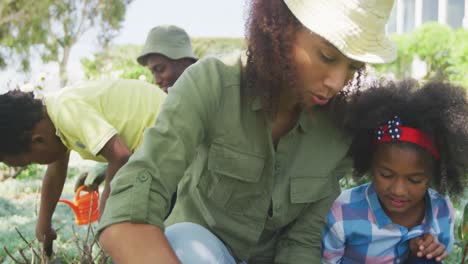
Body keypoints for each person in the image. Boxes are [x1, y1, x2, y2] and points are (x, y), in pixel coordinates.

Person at [98, 0, 397, 263]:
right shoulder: (211, 85)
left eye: (353, 68)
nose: (337, 81)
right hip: (193, 253)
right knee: (184, 243)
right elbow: (129, 211)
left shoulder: (338, 130)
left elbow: (303, 242)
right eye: (328, 57)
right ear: (281, 29)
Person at [0, 79, 166, 254]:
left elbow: (119, 154)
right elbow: (55, 173)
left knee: (136, 231)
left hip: (165, 139)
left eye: (31, 161)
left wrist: (106, 214)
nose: (38, 164)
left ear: (38, 140)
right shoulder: (53, 116)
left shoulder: (67, 112)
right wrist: (43, 224)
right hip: (154, 146)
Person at [321, 80, 468, 263]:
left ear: (432, 174)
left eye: (414, 180)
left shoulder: (442, 211)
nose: (398, 190)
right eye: (386, 175)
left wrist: (425, 250)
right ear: (370, 164)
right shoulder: (343, 211)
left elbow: (441, 253)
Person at [137, 25, 198, 92]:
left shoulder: (209, 93)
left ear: (184, 61)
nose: (157, 81)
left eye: (159, 69)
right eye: (152, 72)